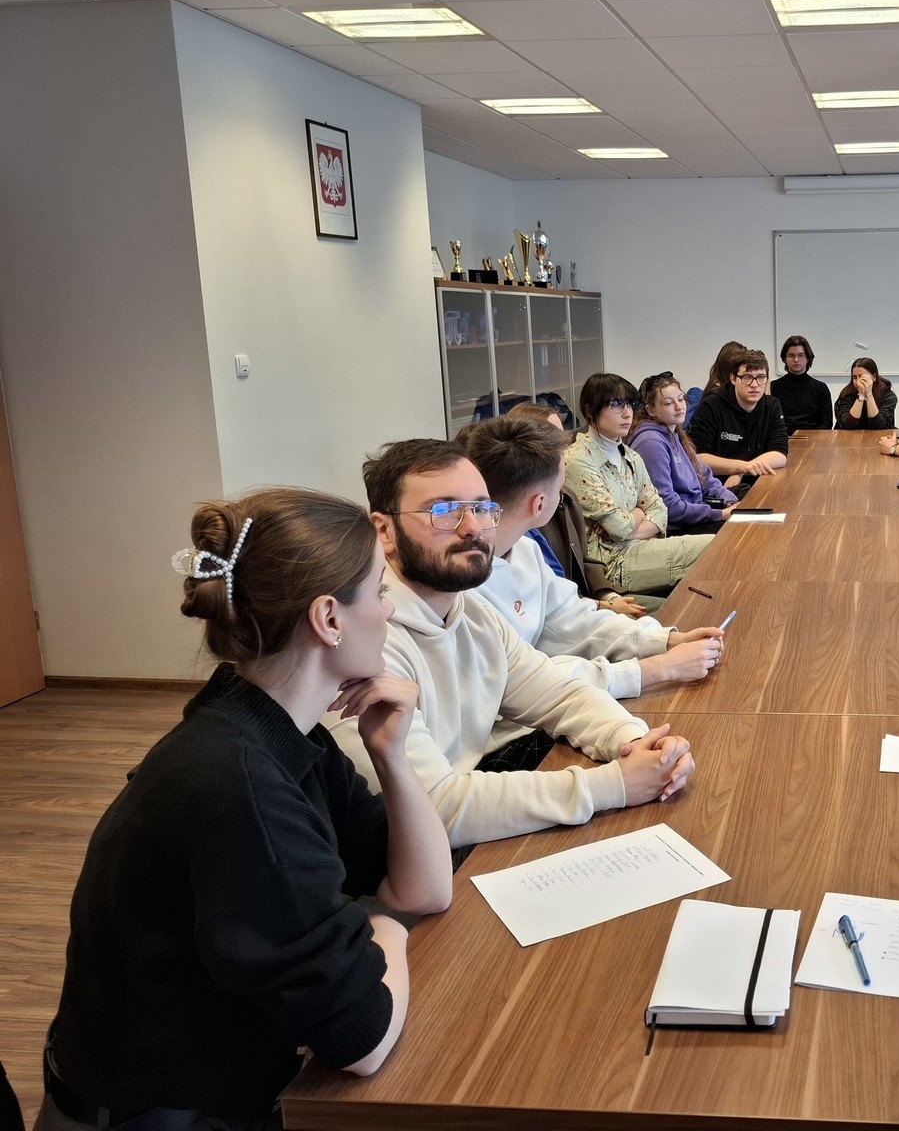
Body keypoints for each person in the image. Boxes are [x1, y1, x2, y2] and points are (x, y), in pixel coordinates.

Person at [38, 489, 453, 1130]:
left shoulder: (274, 727)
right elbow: (363, 1039)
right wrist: (386, 928)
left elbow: (423, 889)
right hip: (158, 1117)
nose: (390, 608)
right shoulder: (238, 783)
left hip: (213, 1090)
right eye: (378, 590)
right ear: (329, 618)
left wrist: (391, 755)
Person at [327, 438, 695, 849]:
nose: (472, 527)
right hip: (410, 858)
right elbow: (430, 809)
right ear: (384, 531)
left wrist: (636, 742)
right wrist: (614, 784)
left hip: (473, 816)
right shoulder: (361, 643)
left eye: (482, 508)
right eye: (444, 512)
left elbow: (559, 696)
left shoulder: (471, 609)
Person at [456, 413, 726, 699]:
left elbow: (575, 619)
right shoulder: (463, 582)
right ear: (540, 505)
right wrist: (658, 668)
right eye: (561, 484)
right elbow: (524, 680)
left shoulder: (524, 548)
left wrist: (667, 640)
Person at [567, 373, 716, 594]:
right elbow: (618, 527)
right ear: (590, 411)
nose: (627, 413)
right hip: (610, 564)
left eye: (630, 404)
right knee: (715, 549)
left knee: (721, 546)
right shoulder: (578, 460)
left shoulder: (630, 456)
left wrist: (630, 522)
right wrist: (639, 514)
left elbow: (660, 512)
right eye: (616, 405)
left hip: (641, 546)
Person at [505, 402, 654, 617]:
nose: (565, 448)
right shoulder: (525, 521)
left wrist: (608, 596)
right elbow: (549, 598)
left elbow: (583, 558)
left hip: (589, 597)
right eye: (554, 439)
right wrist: (603, 606)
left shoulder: (565, 496)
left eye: (562, 437)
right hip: (570, 611)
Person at [630, 371, 740, 533]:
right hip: (679, 525)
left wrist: (730, 501)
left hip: (695, 510)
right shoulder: (650, 443)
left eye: (681, 399)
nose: (678, 407)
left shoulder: (674, 433)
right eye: (668, 403)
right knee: (738, 531)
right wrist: (720, 514)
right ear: (651, 410)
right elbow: (668, 506)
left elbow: (705, 477)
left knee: (745, 496)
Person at [687, 347, 790, 486]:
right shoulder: (711, 406)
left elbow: (780, 454)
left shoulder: (772, 405)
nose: (755, 385)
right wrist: (742, 467)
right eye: (747, 377)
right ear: (733, 378)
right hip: (718, 486)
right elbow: (697, 458)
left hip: (759, 482)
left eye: (761, 377)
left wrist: (741, 471)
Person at [771, 334, 833, 431]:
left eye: (800, 355)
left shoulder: (820, 388)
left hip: (813, 438)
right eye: (791, 356)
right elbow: (771, 420)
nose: (796, 360)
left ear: (808, 358)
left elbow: (826, 422)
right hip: (783, 437)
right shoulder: (774, 387)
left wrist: (814, 437)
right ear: (784, 359)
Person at [833, 356, 898, 430]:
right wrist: (861, 396)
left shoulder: (888, 395)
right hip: (850, 435)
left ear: (874, 377)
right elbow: (849, 425)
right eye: (855, 377)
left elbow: (878, 425)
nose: (858, 382)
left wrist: (869, 395)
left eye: (862, 377)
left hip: (879, 435)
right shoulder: (847, 394)